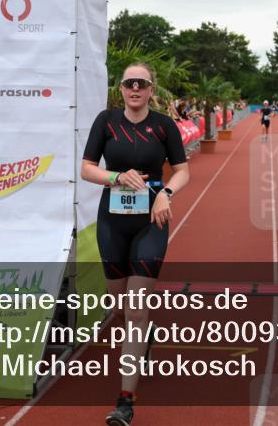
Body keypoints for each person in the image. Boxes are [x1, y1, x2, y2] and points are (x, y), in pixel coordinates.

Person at [80, 63, 190, 426]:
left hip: (151, 222)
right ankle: (145, 333)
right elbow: (86, 168)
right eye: (130, 83)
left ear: (151, 88)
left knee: (136, 310)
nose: (136, 88)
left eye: (142, 83)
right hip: (112, 223)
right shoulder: (106, 121)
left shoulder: (163, 125)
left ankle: (125, 400)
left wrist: (166, 194)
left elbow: (183, 169)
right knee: (120, 308)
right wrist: (115, 176)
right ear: (122, 88)